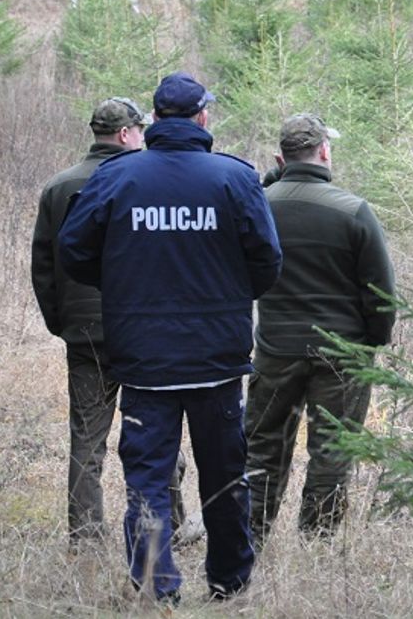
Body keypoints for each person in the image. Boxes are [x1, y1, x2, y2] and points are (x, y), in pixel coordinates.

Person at [58, 72, 282, 605]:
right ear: (203, 117)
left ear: (155, 119)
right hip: (217, 358)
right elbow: (267, 260)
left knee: (149, 479)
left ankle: (158, 590)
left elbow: (74, 250)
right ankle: (230, 584)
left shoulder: (118, 176)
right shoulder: (234, 178)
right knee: (225, 477)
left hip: (145, 358)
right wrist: (228, 295)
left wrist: (123, 281)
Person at [246, 113, 396, 543]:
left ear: (281, 157)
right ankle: (317, 544)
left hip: (275, 349)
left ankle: (250, 539)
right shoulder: (353, 210)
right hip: (343, 354)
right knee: (332, 451)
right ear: (325, 152)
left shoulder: (261, 205)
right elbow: (381, 293)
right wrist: (372, 343)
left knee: (262, 448)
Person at [30, 97, 150, 545]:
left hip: (83, 333)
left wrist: (60, 322)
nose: (142, 138)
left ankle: (85, 537)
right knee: (156, 433)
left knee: (87, 439)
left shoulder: (59, 187)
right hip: (139, 332)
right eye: (139, 130)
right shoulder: (143, 181)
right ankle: (166, 525)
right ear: (124, 135)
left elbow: (43, 263)